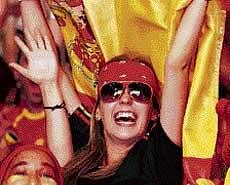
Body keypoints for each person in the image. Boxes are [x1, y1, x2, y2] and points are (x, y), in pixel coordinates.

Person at [10, 0, 209, 184]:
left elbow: (177, 66)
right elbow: (51, 67)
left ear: (154, 113)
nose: (125, 99)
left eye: (139, 92)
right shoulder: (82, 158)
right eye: (112, 91)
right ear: (97, 111)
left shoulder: (157, 159)